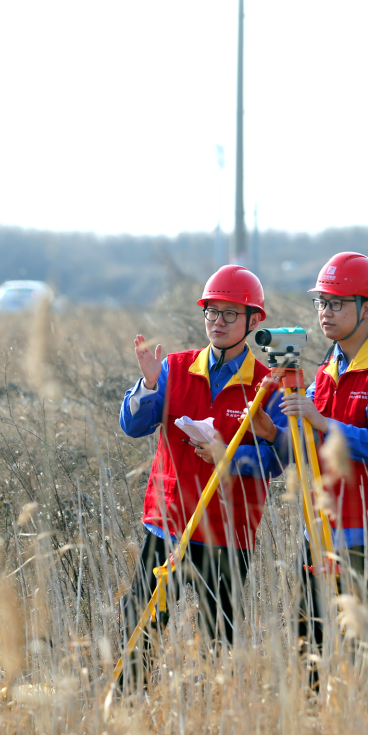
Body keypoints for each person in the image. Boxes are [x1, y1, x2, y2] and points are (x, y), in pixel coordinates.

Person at [118, 264, 286, 686]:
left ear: (253, 321)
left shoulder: (269, 385)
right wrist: (150, 386)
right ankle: (127, 710)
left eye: (231, 314)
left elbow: (280, 460)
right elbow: (133, 426)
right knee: (139, 626)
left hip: (227, 531)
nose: (219, 322)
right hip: (169, 524)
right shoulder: (174, 367)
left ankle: (213, 721)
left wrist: (226, 456)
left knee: (217, 641)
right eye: (212, 311)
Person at [250, 252, 368, 670]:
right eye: (322, 302)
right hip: (322, 519)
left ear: (367, 308)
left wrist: (323, 421)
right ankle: (315, 726)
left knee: (360, 641)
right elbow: (308, 449)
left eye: (337, 303)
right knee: (311, 637)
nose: (326, 312)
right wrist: (274, 435)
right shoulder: (327, 366)